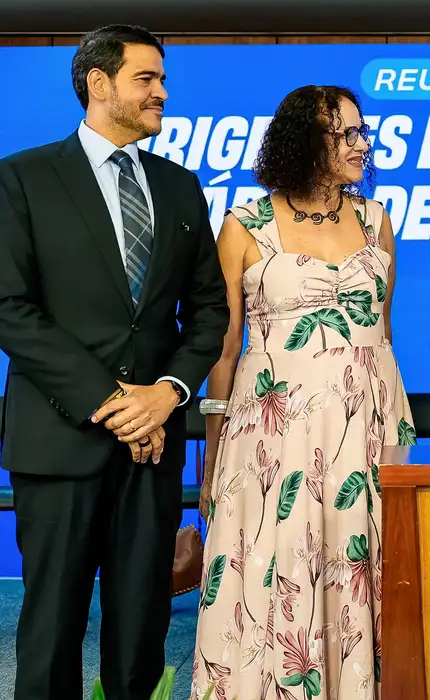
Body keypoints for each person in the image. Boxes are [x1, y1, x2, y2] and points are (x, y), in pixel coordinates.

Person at [0, 24, 229, 700]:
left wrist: (167, 392)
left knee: (141, 631)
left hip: (152, 449)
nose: (162, 93)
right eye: (146, 79)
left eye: (162, 79)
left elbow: (208, 312)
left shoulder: (180, 186)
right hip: (60, 442)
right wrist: (112, 403)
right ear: (99, 84)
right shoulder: (22, 178)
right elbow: (10, 308)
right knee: (51, 630)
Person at [190, 85, 414, 700]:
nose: (362, 146)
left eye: (363, 133)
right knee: (280, 563)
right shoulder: (245, 225)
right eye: (347, 134)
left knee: (365, 563)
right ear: (306, 142)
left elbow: (382, 334)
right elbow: (224, 350)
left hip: (368, 427)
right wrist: (213, 456)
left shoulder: (376, 219)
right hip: (274, 434)